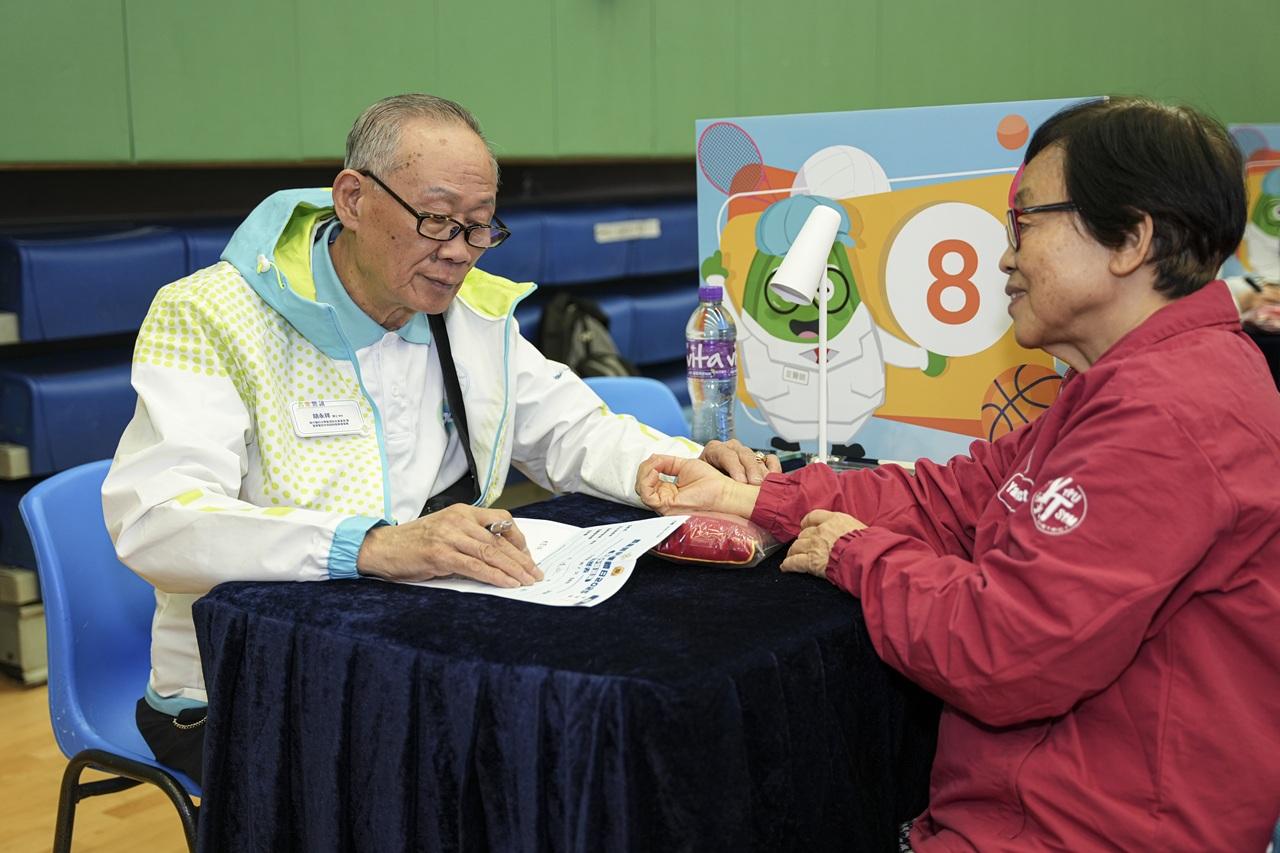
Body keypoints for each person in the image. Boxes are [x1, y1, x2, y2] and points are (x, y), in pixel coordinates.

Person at [637, 97, 1280, 851]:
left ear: (1130, 239)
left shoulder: (1168, 415)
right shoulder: (1130, 383)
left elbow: (1003, 649)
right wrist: (755, 496)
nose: (1005, 256)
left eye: (1026, 222)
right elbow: (955, 497)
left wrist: (855, 554)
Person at [103, 93, 779, 786]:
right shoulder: (212, 314)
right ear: (353, 199)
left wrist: (675, 468)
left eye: (479, 227)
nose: (457, 252)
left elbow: (573, 428)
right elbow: (156, 518)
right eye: (435, 219)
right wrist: (371, 544)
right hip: (245, 688)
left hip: (414, 654)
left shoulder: (469, 312)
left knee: (589, 746)